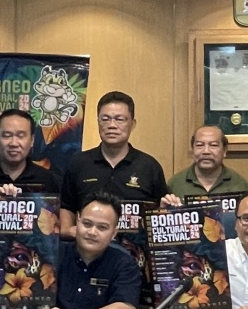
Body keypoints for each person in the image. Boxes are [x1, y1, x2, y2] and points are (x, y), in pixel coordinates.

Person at [60, 91, 168, 236]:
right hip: (88, 250)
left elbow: (159, 213)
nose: (112, 125)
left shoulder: (149, 166)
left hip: (135, 253)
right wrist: (68, 230)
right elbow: (67, 205)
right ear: (98, 122)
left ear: (132, 124)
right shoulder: (78, 163)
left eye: (119, 119)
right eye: (105, 119)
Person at [44, 191, 141, 309]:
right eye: (87, 224)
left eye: (102, 227)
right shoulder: (53, 254)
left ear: (114, 233)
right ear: (77, 221)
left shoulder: (124, 262)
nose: (92, 232)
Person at [0, 109, 62, 206]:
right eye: (7, 135)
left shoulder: (49, 181)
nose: (13, 143)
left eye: (21, 136)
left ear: (32, 140)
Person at [163, 125, 248, 204]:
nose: (206, 151)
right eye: (200, 145)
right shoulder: (175, 184)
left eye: (213, 145)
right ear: (193, 150)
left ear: (224, 151)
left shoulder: (239, 184)